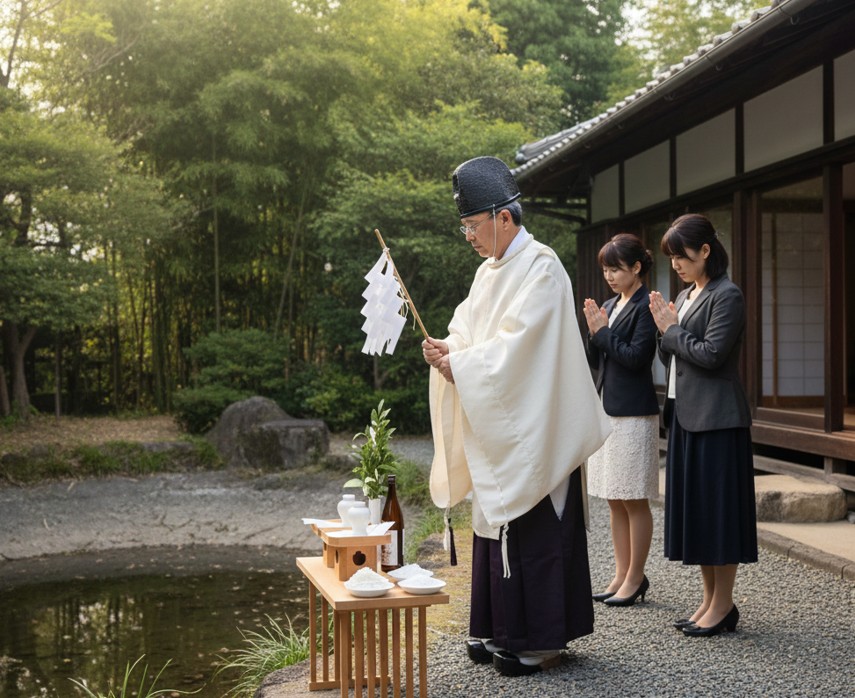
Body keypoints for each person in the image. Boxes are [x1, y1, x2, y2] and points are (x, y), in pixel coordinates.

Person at [422, 156, 611, 676]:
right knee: (494, 521)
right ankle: (497, 625)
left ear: (504, 217)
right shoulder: (488, 273)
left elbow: (521, 348)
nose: (468, 236)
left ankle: (541, 639)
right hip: (504, 419)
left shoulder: (542, 266)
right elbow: (470, 331)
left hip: (538, 424)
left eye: (472, 224)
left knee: (532, 525)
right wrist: (448, 350)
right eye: (464, 226)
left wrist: (462, 362)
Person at [648, 213, 757, 637]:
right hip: (686, 415)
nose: (675, 263)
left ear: (706, 251)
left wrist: (672, 331)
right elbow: (672, 354)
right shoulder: (690, 294)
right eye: (671, 257)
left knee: (718, 513)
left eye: (682, 255)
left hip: (718, 419)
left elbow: (712, 354)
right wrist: (666, 332)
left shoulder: (727, 295)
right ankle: (710, 601)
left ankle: (724, 605)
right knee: (699, 512)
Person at [583, 234, 660, 607]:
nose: (609, 276)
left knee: (633, 497)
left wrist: (603, 332)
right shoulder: (611, 303)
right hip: (607, 407)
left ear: (636, 268)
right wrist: (593, 332)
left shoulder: (647, 305)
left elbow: (635, 357)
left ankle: (636, 577)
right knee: (614, 497)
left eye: (616, 268)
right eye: (605, 269)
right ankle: (620, 574)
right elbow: (599, 356)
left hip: (634, 413)